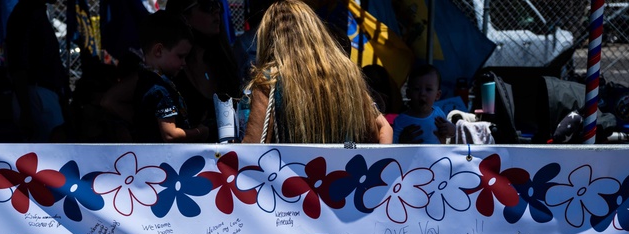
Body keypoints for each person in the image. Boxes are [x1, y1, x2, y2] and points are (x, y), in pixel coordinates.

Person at [241, 0, 392, 144]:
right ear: (316, 31)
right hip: (343, 167)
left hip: (293, 169)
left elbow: (254, 146)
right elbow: (377, 132)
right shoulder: (348, 75)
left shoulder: (270, 80)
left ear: (269, 39)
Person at [166, 0, 242, 141]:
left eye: (218, 5)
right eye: (208, 5)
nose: (216, 11)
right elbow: (112, 101)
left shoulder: (225, 62)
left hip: (228, 158)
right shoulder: (169, 66)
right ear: (184, 16)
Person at [133, 11, 211, 142]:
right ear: (158, 51)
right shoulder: (159, 89)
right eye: (180, 56)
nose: (184, 63)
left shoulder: (144, 79)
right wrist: (200, 132)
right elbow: (170, 134)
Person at [5, 0, 71, 141]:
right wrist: (26, 109)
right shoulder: (26, 14)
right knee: (52, 150)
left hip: (42, 93)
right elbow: (19, 65)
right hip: (37, 94)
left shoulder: (36, 13)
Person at [393, 63, 455, 144]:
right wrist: (402, 140)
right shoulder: (401, 120)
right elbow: (392, 146)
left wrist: (450, 129)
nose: (422, 93)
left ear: (437, 95)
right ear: (408, 93)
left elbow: (450, 134)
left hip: (437, 157)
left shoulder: (438, 114)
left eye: (428, 89)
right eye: (417, 89)